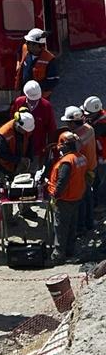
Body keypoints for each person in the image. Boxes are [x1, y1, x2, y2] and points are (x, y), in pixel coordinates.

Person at [48, 131, 88, 262]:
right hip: (76, 197)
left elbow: (62, 182)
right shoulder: (81, 157)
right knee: (71, 226)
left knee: (61, 228)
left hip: (65, 199)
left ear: (64, 145)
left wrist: (55, 195)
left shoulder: (66, 162)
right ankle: (70, 251)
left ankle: (58, 255)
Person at [60, 105, 97, 233]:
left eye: (68, 123)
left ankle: (80, 227)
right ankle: (90, 223)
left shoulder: (75, 137)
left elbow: (70, 153)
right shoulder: (89, 129)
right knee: (88, 197)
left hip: (82, 170)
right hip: (92, 167)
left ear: (73, 122)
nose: (67, 125)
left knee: (80, 199)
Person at [10, 81, 56, 161]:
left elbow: (51, 128)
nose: (33, 102)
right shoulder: (19, 102)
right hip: (20, 148)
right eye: (31, 99)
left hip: (37, 148)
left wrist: (49, 148)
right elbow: (12, 121)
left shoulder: (46, 106)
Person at [0, 111, 36, 181]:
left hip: (16, 162)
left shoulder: (26, 129)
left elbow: (30, 143)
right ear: (18, 125)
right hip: (3, 166)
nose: (25, 132)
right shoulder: (4, 133)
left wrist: (29, 157)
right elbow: (1, 154)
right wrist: (19, 160)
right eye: (23, 130)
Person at [14, 27, 59, 97]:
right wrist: (18, 63)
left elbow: (53, 81)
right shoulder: (25, 49)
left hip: (40, 96)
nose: (26, 44)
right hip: (25, 93)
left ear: (37, 45)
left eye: (29, 43)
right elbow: (18, 54)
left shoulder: (49, 59)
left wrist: (35, 89)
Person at [83, 96, 106, 209]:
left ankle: (100, 205)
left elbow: (90, 134)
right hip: (99, 153)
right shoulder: (97, 117)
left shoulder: (102, 124)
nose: (86, 115)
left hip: (103, 157)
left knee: (99, 182)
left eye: (88, 114)